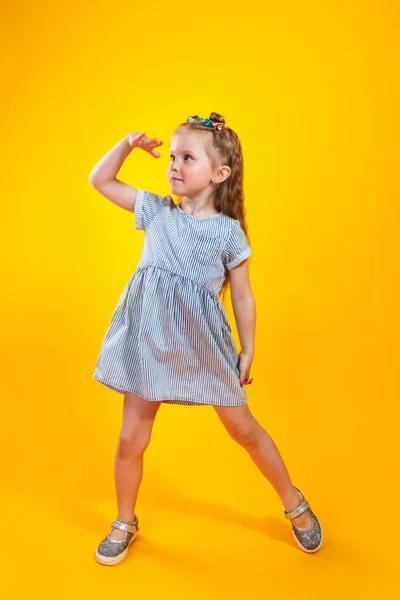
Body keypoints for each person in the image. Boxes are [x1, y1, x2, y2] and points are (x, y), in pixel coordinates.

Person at [89, 112, 323, 565]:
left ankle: (294, 502)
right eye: (172, 156)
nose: (174, 164)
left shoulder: (228, 232)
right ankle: (124, 520)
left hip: (202, 346)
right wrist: (127, 144)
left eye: (187, 157)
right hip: (148, 343)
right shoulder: (156, 211)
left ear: (220, 174)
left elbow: (243, 297)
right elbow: (101, 180)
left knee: (245, 430)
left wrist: (248, 348)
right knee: (130, 439)